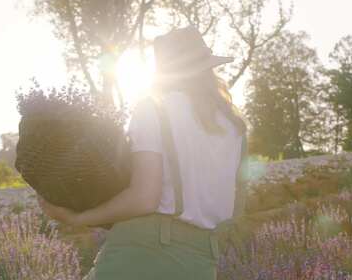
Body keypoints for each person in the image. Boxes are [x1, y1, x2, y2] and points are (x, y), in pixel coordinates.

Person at [37, 26, 248, 280]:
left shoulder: (155, 109)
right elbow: (237, 206)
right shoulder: (234, 126)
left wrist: (78, 217)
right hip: (201, 262)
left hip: (141, 254)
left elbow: (144, 198)